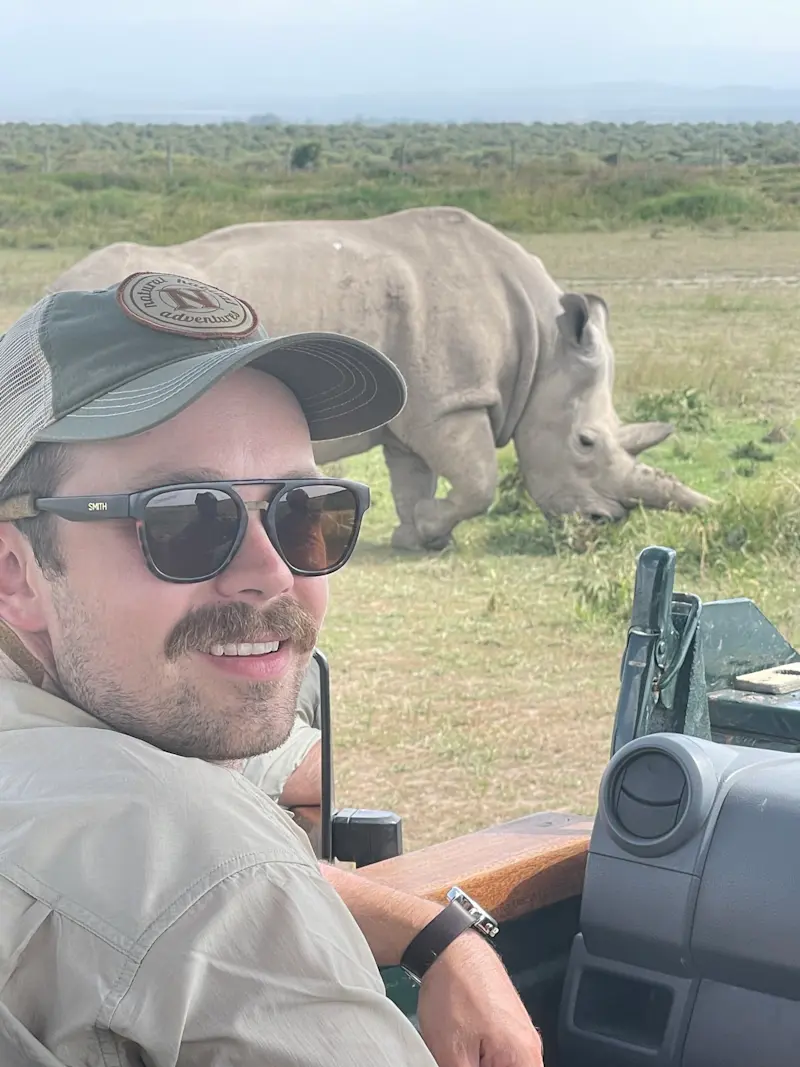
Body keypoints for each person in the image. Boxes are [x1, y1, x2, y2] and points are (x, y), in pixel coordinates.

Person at [0, 272, 544, 1066]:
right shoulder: (214, 866)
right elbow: (209, 879)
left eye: (303, 511)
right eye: (184, 518)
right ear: (17, 574)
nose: (273, 572)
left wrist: (434, 931)